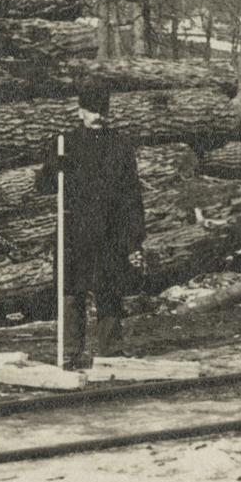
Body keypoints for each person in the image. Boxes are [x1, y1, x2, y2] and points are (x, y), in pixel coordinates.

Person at [37, 87, 146, 366]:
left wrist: (134, 236)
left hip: (110, 230)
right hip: (74, 228)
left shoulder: (120, 145)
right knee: (72, 292)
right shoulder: (65, 143)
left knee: (109, 290)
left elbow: (131, 194)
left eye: (103, 111)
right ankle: (71, 352)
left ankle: (111, 351)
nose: (98, 117)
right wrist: (54, 167)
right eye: (93, 111)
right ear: (80, 112)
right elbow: (44, 186)